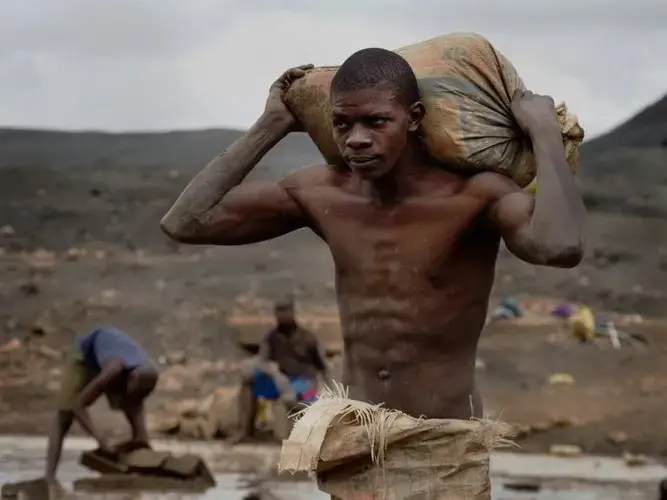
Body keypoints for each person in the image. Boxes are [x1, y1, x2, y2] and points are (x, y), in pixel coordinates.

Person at [161, 48, 584, 425]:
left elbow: (558, 246)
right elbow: (186, 222)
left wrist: (544, 133)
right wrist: (269, 125)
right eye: (341, 124)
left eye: (376, 121)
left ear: (413, 118)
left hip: (444, 441)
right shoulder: (320, 193)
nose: (356, 139)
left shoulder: (473, 197)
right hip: (355, 437)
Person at [45, 326, 159, 480]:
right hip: (84, 359)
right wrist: (102, 441)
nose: (134, 399)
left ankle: (137, 440)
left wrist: (140, 440)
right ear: (131, 377)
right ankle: (49, 478)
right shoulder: (113, 370)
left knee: (134, 408)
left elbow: (137, 401)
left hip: (115, 362)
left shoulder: (145, 368)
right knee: (64, 415)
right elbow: (78, 406)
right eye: (133, 392)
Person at [229, 298, 330, 443]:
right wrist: (274, 373)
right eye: (279, 311)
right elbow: (262, 361)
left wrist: (328, 392)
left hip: (305, 385)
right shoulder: (272, 337)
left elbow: (322, 368)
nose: (282, 315)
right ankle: (244, 431)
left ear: (292, 312)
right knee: (248, 383)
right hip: (280, 383)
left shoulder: (308, 338)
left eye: (285, 311)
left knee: (289, 421)